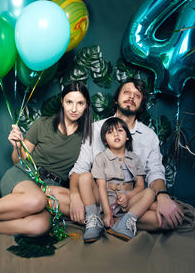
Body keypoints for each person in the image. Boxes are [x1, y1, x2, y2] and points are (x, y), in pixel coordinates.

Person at [69, 77, 184, 233]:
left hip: (130, 200)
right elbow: (80, 168)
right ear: (116, 99)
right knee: (57, 196)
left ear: (141, 104)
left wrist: (163, 196)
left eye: (137, 95)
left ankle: (115, 221)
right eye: (127, 92)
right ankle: (98, 216)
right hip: (98, 198)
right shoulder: (95, 129)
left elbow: (155, 172)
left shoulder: (149, 136)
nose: (131, 97)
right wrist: (75, 196)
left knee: (170, 218)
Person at [0, 81, 92, 237]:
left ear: (86, 105)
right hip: (24, 176)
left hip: (51, 187)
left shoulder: (88, 136)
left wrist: (74, 196)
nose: (74, 109)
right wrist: (16, 146)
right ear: (62, 102)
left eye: (80, 103)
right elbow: (18, 160)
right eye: (69, 102)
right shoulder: (44, 123)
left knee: (40, 226)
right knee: (36, 200)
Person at [80, 117, 155, 242]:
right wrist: (107, 212)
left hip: (127, 204)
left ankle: (124, 222)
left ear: (127, 137)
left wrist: (128, 197)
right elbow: (102, 186)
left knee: (151, 193)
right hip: (106, 200)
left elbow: (140, 186)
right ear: (105, 141)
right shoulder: (101, 158)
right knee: (84, 177)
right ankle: (95, 220)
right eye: (110, 132)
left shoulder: (135, 158)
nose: (115, 134)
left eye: (120, 130)